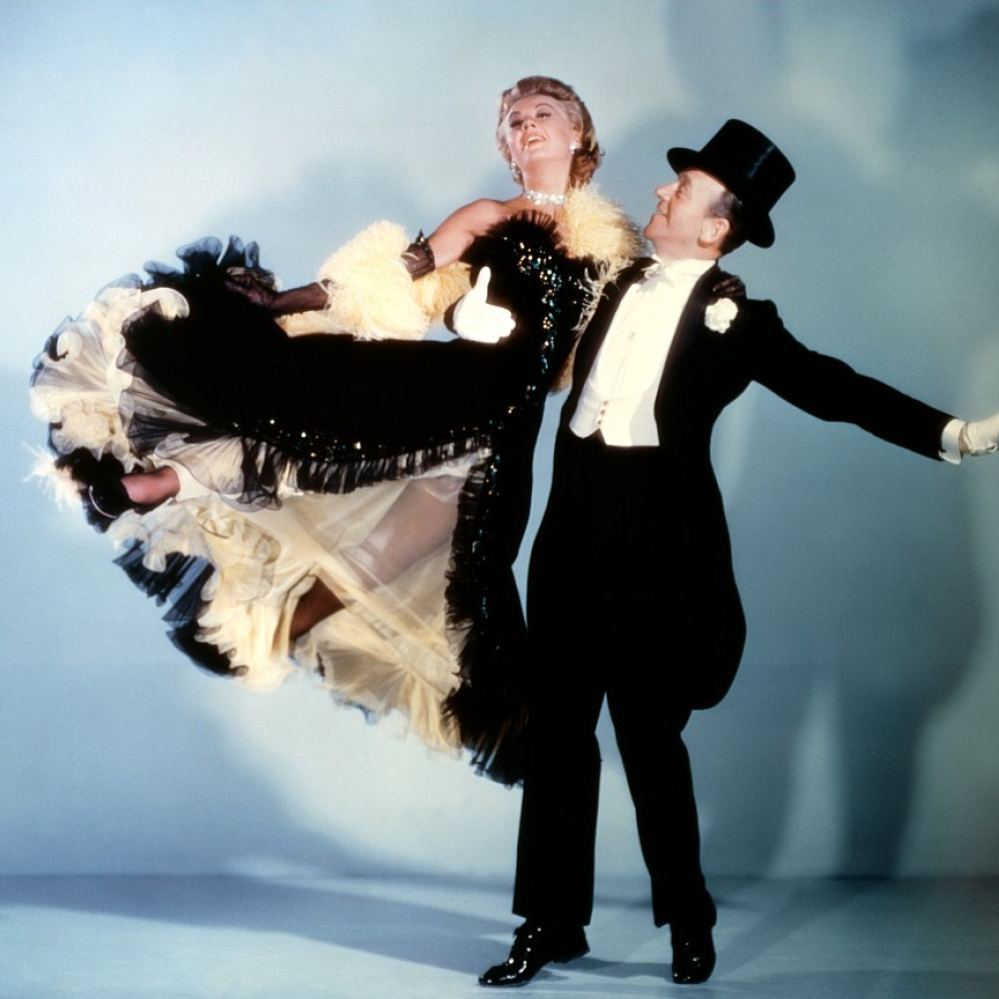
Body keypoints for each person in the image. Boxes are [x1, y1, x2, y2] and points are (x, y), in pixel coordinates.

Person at [476, 119, 999, 986]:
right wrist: (470, 309)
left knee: (650, 742)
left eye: (678, 192)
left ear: (715, 227)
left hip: (657, 546)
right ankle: (547, 923)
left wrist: (951, 433)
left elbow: (834, 388)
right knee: (558, 737)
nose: (657, 192)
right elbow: (513, 314)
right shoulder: (605, 280)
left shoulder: (737, 318)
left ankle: (688, 920)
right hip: (568, 535)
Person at [30, 77, 651, 782]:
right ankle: (156, 481)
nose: (528, 124)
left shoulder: (614, 241)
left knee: (425, 561)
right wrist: (281, 300)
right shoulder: (488, 213)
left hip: (508, 432)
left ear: (579, 133)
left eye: (545, 113)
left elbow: (642, 319)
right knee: (316, 421)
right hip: (459, 387)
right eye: (514, 119)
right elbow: (407, 269)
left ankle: (271, 632)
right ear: (506, 146)